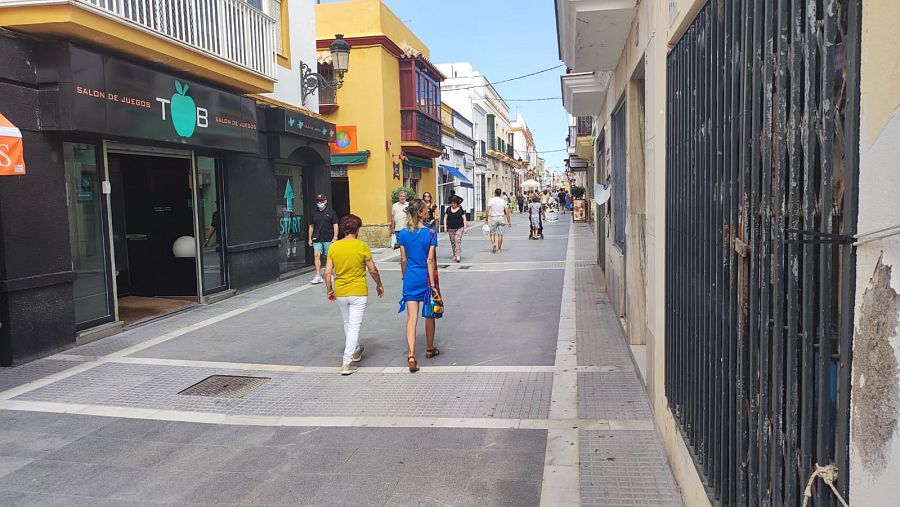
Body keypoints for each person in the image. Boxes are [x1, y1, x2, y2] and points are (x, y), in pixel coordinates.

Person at [324, 214, 385, 375]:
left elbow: (328, 273)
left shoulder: (334, 247)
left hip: (340, 291)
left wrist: (329, 289)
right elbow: (372, 269)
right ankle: (346, 362)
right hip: (358, 291)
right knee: (354, 326)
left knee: (347, 323)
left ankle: (356, 349)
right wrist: (379, 284)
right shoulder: (361, 246)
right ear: (356, 229)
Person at [397, 199, 439, 373]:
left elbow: (404, 259)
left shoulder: (403, 234)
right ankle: (429, 348)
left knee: (411, 318)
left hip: (411, 278)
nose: (427, 211)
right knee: (429, 315)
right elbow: (430, 260)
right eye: (425, 210)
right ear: (421, 213)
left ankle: (412, 355)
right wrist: (433, 285)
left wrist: (404, 276)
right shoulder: (430, 233)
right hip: (425, 278)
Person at [308, 194, 339, 284]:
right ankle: (318, 275)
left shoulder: (331, 212)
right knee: (316, 255)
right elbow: (311, 226)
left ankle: (329, 273)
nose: (319, 203)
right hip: (317, 237)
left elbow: (335, 224)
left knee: (329, 256)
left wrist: (335, 237)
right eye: (318, 201)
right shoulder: (313, 213)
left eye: (321, 201)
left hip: (328, 238)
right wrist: (309, 238)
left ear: (325, 201)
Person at [484, 188, 511, 254]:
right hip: (501, 218)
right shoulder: (503, 201)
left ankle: (493, 244)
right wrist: (509, 221)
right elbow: (507, 212)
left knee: (492, 233)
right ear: (500, 194)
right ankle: (499, 249)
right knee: (500, 234)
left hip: (494, 218)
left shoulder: (491, 200)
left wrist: (486, 219)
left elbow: (487, 210)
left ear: (495, 193)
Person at [443, 196, 468, 262]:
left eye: (454, 203)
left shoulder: (460, 209)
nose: (453, 204)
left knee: (457, 240)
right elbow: (445, 218)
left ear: (457, 204)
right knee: (453, 242)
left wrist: (465, 227)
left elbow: (464, 218)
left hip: (459, 227)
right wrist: (445, 227)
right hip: (451, 228)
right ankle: (454, 254)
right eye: (451, 203)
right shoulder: (448, 209)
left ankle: (458, 255)